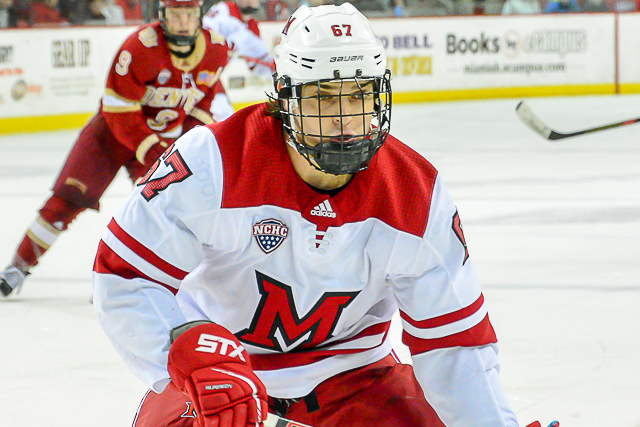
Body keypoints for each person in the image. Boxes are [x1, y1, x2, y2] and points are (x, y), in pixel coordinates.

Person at [92, 3, 554, 427]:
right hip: (221, 376)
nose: (345, 119)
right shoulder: (213, 161)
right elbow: (124, 275)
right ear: (285, 98)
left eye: (359, 96)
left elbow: (454, 345)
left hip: (356, 380)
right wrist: (181, 347)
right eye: (324, 98)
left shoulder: (416, 194)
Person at [0, 0, 230, 297]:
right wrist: (156, 153)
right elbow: (119, 111)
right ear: (162, 15)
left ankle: (133, 278)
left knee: (165, 211)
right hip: (110, 136)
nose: (183, 21)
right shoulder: (139, 48)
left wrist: (184, 145)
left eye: (189, 13)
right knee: (65, 201)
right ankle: (18, 266)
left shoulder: (216, 49)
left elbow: (203, 102)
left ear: (199, 15)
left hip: (161, 142)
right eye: (176, 14)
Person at [202, 0, 275, 78]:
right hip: (200, 63)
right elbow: (203, 34)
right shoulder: (224, 9)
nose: (250, 1)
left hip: (214, 75)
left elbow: (261, 65)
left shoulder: (253, 29)